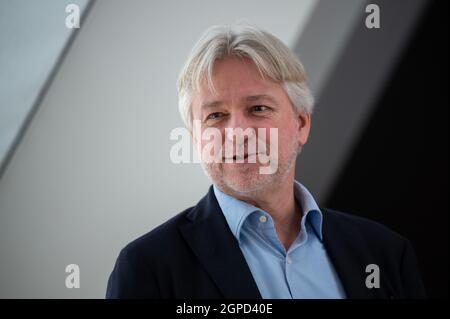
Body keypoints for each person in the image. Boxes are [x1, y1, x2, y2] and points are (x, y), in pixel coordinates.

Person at [106, 24, 425, 299]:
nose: (238, 133)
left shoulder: (385, 253)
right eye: (216, 115)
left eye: (258, 109)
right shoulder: (148, 269)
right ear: (195, 140)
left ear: (301, 124)